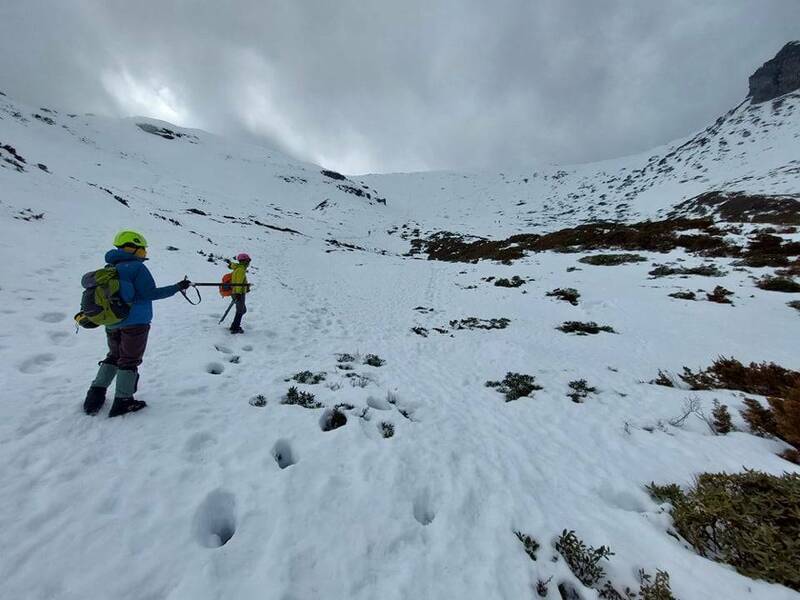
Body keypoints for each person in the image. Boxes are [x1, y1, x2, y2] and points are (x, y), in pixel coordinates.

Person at [83, 230, 192, 417]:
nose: (144, 253)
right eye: (142, 249)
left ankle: (94, 396)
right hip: (136, 322)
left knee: (113, 356)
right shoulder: (137, 268)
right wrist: (177, 287)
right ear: (132, 248)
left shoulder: (109, 268)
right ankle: (123, 401)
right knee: (129, 360)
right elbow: (150, 294)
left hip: (112, 322)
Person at [227, 253, 250, 334]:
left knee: (241, 309)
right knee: (241, 310)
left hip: (237, 292)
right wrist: (238, 293)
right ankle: (235, 327)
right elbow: (238, 283)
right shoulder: (240, 270)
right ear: (244, 261)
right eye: (248, 260)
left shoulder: (239, 268)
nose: (249, 262)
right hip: (238, 292)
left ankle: (234, 325)